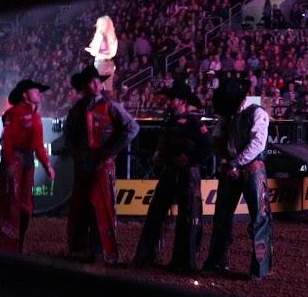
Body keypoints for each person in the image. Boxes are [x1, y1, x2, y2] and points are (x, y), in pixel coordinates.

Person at [133, 84, 213, 274]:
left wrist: (191, 160)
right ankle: (149, 256)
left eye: (173, 99)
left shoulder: (194, 122)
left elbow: (208, 146)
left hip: (186, 172)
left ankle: (184, 261)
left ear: (183, 102)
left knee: (187, 216)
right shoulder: (169, 122)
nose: (169, 102)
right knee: (158, 212)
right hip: (170, 170)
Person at [63, 65, 139, 265]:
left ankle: (99, 249)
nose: (96, 84)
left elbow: (132, 128)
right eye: (92, 81)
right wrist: (75, 152)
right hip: (84, 164)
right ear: (85, 85)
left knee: (101, 205)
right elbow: (68, 135)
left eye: (97, 80)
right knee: (82, 206)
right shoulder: (77, 109)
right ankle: (82, 248)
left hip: (101, 164)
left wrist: (111, 150)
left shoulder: (110, 106)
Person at [203, 78, 273, 280]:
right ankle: (217, 260)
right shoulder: (229, 116)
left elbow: (257, 145)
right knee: (222, 217)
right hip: (237, 168)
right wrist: (227, 161)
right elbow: (216, 140)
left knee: (258, 217)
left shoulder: (257, 114)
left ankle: (259, 268)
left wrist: (232, 163)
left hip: (250, 169)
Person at [0, 80, 55, 252]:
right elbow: (7, 140)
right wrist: (8, 161)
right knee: (11, 203)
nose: (39, 93)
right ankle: (8, 247)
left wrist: (47, 165)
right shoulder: (14, 113)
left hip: (26, 162)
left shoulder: (35, 117)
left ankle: (17, 245)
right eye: (35, 91)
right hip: (15, 162)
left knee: (24, 205)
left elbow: (38, 145)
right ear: (25, 95)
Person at [85, 16, 118, 95]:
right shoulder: (113, 37)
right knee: (109, 89)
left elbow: (94, 52)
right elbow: (113, 53)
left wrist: (88, 50)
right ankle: (109, 105)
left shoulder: (99, 35)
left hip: (100, 64)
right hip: (110, 64)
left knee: (97, 89)